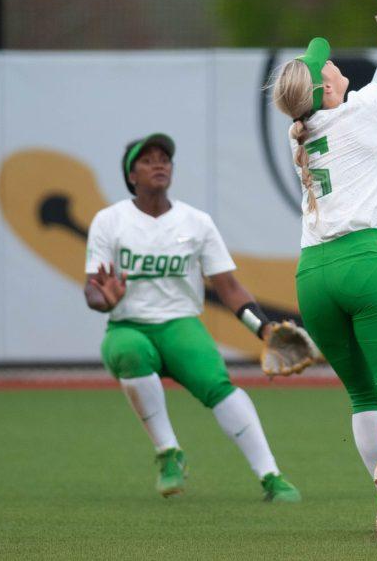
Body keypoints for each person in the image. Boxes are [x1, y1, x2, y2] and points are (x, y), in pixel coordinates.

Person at [268, 0, 377, 540]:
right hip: (363, 263)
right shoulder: (356, 113)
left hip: (312, 277)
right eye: (324, 69)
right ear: (328, 93)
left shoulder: (299, 133)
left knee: (361, 393)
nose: (329, 65)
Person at [85, 133, 301, 503]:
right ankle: (168, 454)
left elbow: (228, 287)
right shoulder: (110, 221)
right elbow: (93, 288)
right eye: (148, 159)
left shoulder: (196, 222)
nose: (159, 164)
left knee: (220, 388)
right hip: (129, 325)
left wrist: (262, 327)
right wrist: (104, 300)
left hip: (180, 323)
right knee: (127, 353)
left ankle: (271, 476)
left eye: (165, 158)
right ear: (131, 175)